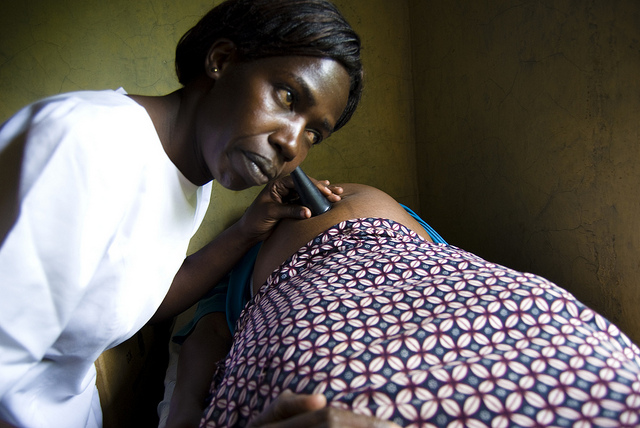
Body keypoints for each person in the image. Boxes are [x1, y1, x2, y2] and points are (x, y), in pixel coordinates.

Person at [0, 1, 363, 427]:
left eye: (313, 133)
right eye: (287, 96)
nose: (292, 144)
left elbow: (141, 298)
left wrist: (248, 229)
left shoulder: (194, 178)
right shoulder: (83, 143)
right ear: (221, 61)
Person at [166, 183, 640, 427]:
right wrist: (184, 416)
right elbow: (205, 332)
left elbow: (451, 268)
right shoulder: (238, 260)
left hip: (425, 267)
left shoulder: (428, 238)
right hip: (314, 302)